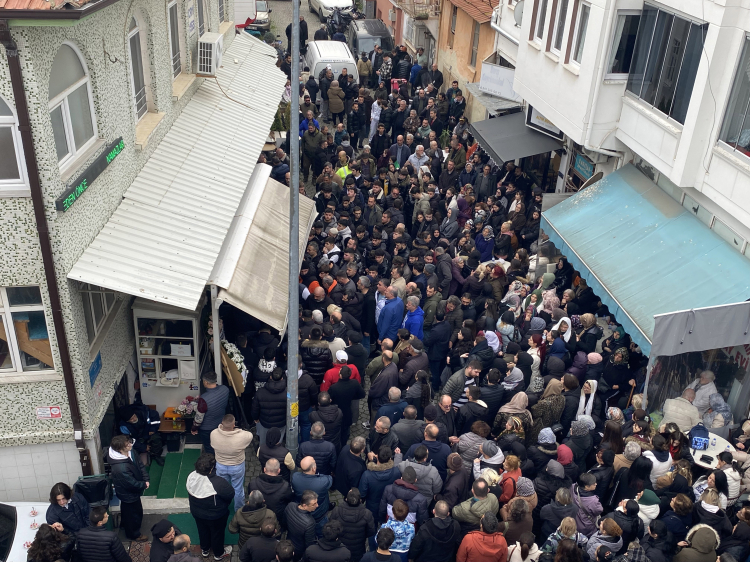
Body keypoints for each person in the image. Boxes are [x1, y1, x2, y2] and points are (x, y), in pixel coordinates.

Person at [186, 453, 234, 561]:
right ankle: (218, 554)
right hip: (216, 515)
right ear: (211, 468)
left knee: (202, 530)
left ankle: (205, 549)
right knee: (217, 534)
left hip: (197, 512)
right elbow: (230, 494)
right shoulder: (219, 483)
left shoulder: (191, 476)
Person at [107, 434, 149, 542]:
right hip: (129, 494)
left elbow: (140, 465)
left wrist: (145, 478)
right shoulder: (120, 468)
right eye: (127, 445)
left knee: (127, 510)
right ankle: (134, 534)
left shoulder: (130, 452)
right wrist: (144, 485)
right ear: (120, 449)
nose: (130, 444)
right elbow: (130, 483)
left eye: (129, 442)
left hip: (128, 493)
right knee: (135, 514)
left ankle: (124, 524)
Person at [211, 414, 254, 509]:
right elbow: (250, 435)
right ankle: (238, 509)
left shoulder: (213, 434)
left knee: (221, 487)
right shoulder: (242, 437)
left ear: (222, 423)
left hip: (221, 465)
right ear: (234, 425)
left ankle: (222, 506)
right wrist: (238, 430)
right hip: (236, 466)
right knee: (238, 489)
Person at [329, 488, 377, 562]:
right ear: (360, 500)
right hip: (359, 546)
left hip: (341, 546)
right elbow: (371, 531)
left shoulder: (336, 510)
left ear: (346, 499)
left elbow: (332, 527)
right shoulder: (367, 514)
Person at [247, 458, 295, 531]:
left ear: (264, 469)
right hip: (276, 517)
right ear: (279, 470)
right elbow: (289, 499)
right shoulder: (285, 486)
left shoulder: (253, 483)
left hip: (257, 515)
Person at [291, 456, 333, 535]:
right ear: (313, 468)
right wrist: (317, 475)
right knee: (321, 531)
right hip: (319, 514)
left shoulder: (295, 477)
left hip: (302, 512)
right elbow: (329, 478)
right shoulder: (323, 481)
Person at [191, 371, 230, 455]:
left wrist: (194, 428)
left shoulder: (204, 398)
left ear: (206, 382)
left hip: (207, 429)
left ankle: (212, 461)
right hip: (220, 424)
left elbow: (199, 418)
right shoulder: (225, 389)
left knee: (209, 449)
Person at [285, 490, 319, 560]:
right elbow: (309, 543)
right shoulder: (310, 523)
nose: (317, 505)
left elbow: (284, 523)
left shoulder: (290, 505)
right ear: (304, 505)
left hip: (289, 540)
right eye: (314, 504)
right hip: (300, 549)